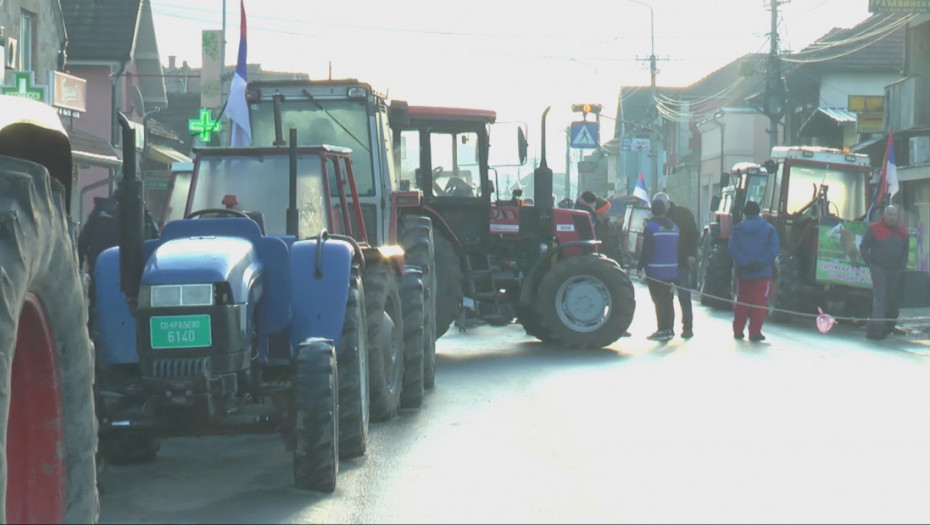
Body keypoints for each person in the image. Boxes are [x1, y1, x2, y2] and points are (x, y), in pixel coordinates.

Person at [727, 200, 779, 342]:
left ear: (744, 213)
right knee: (759, 303)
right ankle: (755, 331)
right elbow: (773, 249)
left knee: (742, 301)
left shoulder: (738, 229)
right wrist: (761, 263)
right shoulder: (769, 229)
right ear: (758, 212)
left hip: (744, 272)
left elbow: (733, 249)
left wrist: (744, 263)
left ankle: (738, 330)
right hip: (763, 273)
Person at [652, 192, 699, 338]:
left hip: (681, 262)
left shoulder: (683, 214)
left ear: (668, 203)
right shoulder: (656, 218)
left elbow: (693, 234)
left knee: (684, 296)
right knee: (665, 298)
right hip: (664, 265)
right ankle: (667, 328)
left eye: (662, 206)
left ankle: (688, 327)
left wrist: (692, 254)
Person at [859, 205, 909, 340]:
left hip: (895, 271)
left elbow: (906, 250)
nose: (892, 218)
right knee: (880, 298)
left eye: (895, 215)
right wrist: (870, 264)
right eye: (890, 215)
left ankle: (886, 328)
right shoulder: (873, 228)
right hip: (879, 269)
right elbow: (863, 247)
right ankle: (874, 331)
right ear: (884, 215)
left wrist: (901, 267)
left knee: (890, 300)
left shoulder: (902, 231)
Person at [637, 196, 679, 341]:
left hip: (655, 270)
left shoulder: (651, 228)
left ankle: (662, 329)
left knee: (659, 301)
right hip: (672, 270)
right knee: (669, 300)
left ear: (652, 211)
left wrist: (640, 267)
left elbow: (646, 250)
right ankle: (670, 329)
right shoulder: (674, 227)